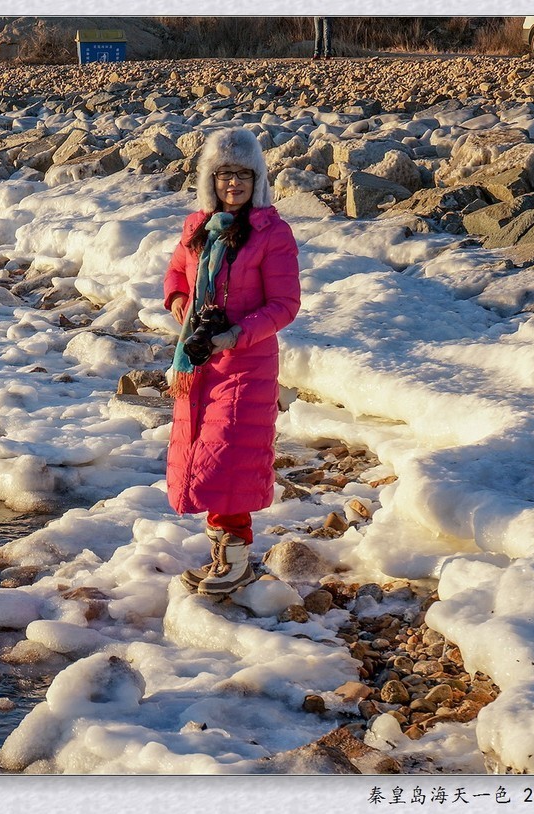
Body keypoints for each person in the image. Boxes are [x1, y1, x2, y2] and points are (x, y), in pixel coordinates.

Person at [163, 127, 302, 596]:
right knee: (202, 455)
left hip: (247, 363)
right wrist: (178, 299)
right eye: (225, 174)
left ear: (257, 180)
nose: (234, 183)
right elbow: (176, 272)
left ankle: (237, 561)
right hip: (200, 360)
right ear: (211, 180)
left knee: (226, 459)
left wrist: (236, 334)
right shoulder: (198, 228)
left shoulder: (272, 233)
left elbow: (285, 304)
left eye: (244, 174)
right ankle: (222, 556)